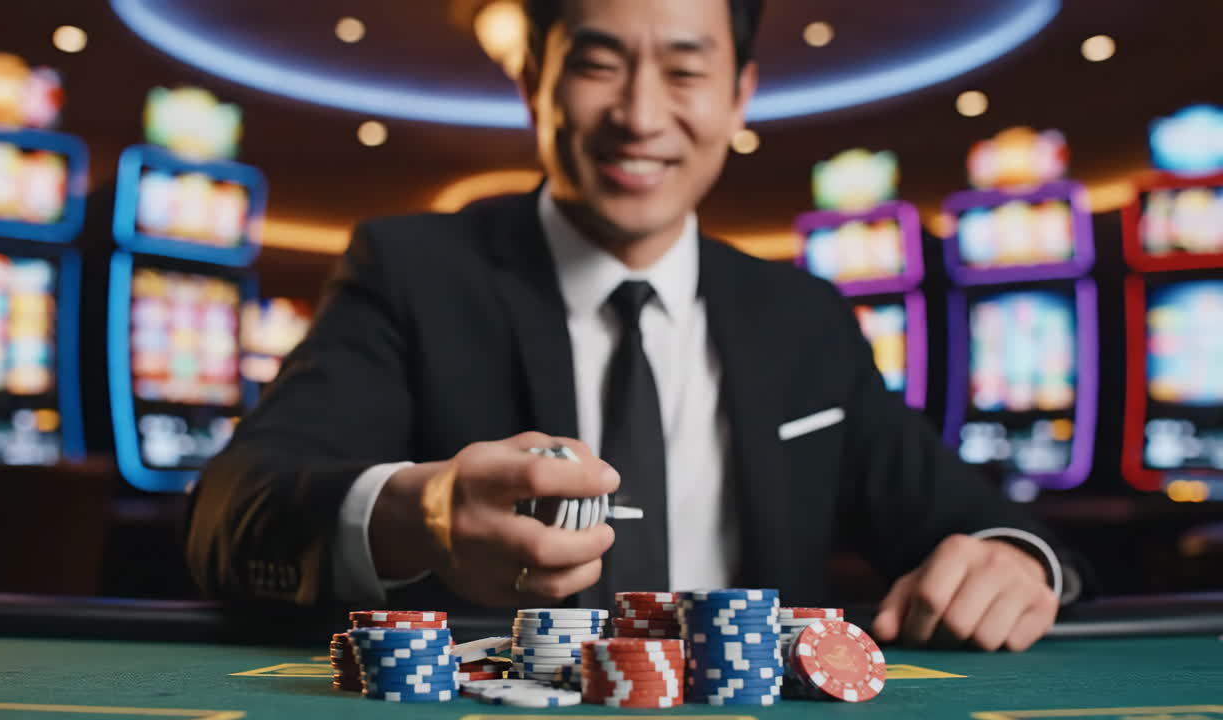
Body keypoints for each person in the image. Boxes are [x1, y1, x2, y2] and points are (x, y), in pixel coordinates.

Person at [186, 0, 1065, 652]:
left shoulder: (804, 317)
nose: (641, 117)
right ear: (535, 78)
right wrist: (421, 515)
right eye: (598, 63)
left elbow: (991, 528)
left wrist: (1010, 563)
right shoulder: (411, 272)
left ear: (739, 95)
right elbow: (231, 514)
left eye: (686, 71)